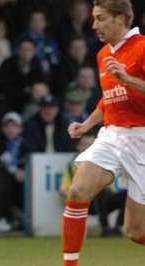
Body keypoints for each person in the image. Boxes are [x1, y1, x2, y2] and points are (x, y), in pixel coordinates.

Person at [62, 1, 145, 265]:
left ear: (121, 18)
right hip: (112, 135)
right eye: (93, 19)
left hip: (142, 139)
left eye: (100, 18)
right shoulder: (103, 54)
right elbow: (109, 98)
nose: (94, 25)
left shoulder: (143, 47)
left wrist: (129, 79)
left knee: (135, 231)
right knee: (77, 192)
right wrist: (86, 125)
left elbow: (126, 85)